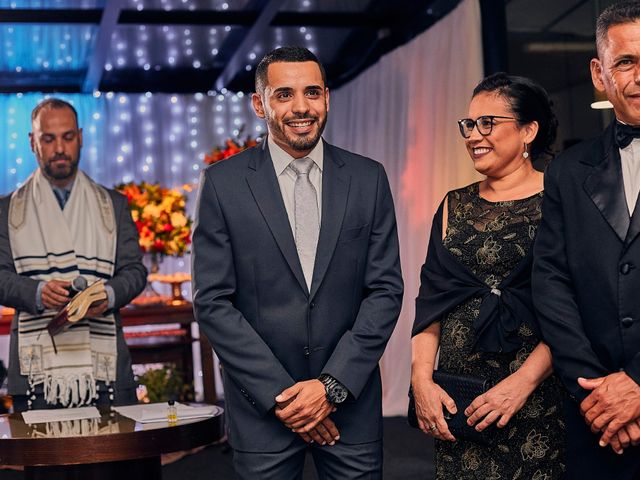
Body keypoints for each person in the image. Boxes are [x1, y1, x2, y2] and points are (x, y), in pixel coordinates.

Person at [191, 46, 403, 479]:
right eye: (284, 94)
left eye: (312, 92)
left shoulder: (369, 178)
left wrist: (331, 388)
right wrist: (284, 397)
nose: (301, 107)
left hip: (350, 406)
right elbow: (212, 302)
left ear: (327, 96)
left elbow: (384, 290)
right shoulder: (222, 184)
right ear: (259, 103)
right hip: (261, 412)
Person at [411, 73, 565, 479]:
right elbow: (431, 303)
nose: (474, 135)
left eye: (488, 123)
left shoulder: (561, 199)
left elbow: (574, 307)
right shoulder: (453, 204)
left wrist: (521, 385)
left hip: (537, 397)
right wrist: (421, 381)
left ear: (529, 130)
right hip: (459, 399)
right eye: (469, 124)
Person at [532, 2, 640, 478]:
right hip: (594, 417)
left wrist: (638, 384)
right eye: (626, 61)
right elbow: (551, 282)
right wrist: (596, 391)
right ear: (600, 74)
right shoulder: (567, 171)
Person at [0, 98, 146, 411]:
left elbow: (135, 271)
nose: (60, 149)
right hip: (35, 373)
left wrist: (108, 294)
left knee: (113, 459)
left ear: (80, 137)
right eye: (48, 139)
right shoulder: (6, 209)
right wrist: (37, 292)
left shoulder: (114, 204)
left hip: (106, 368)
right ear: (32, 142)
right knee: (48, 460)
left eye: (68, 137)